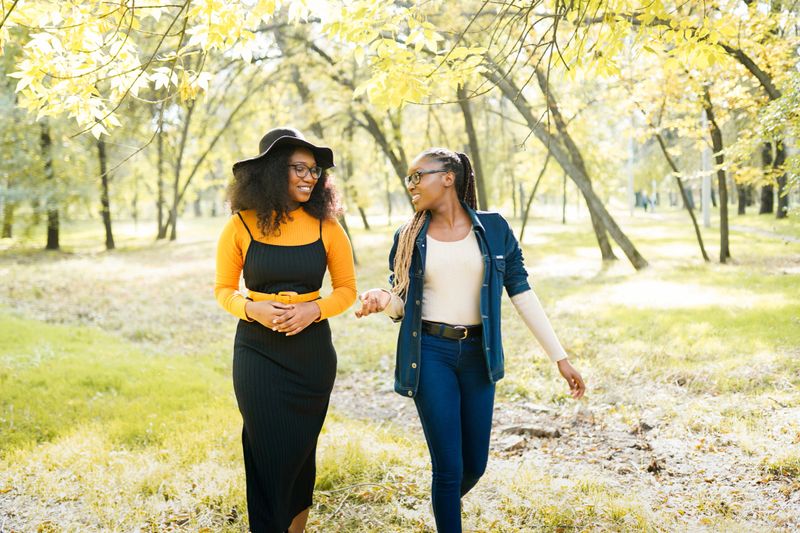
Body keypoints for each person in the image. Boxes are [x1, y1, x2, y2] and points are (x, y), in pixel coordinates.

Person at [355, 148, 585, 533]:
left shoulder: (494, 229)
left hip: (480, 354)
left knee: (474, 466)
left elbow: (521, 292)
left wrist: (559, 358)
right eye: (409, 179)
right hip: (431, 354)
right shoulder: (408, 236)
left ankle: (443, 505)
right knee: (448, 469)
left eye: (417, 176)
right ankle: (447, 512)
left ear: (448, 177)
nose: (410, 185)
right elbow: (401, 304)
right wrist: (383, 300)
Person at [215, 127, 356, 533]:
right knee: (264, 449)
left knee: (299, 451)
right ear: (274, 172)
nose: (310, 177)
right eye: (300, 168)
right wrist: (251, 309)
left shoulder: (327, 227)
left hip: (311, 357)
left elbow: (346, 291)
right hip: (257, 352)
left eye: (315, 170)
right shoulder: (240, 225)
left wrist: (314, 310)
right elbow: (223, 290)